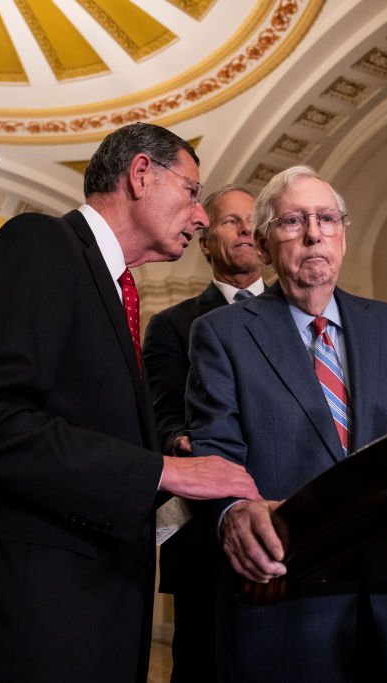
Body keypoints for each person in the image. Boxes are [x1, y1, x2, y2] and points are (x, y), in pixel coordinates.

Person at [0, 123, 260, 682]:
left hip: (81, 611)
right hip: (22, 620)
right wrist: (163, 470)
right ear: (141, 174)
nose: (200, 217)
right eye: (192, 192)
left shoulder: (112, 285)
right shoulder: (40, 243)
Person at [185, 165, 387, 682]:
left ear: (342, 235)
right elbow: (215, 453)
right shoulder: (221, 334)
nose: (314, 234)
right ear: (263, 244)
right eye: (293, 221)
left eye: (326, 219)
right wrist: (233, 515)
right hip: (283, 598)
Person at [143, 184, 263, 682]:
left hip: (290, 513)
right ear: (205, 242)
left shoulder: (302, 313)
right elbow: (164, 414)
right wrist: (181, 442)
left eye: (253, 220)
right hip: (205, 525)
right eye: (231, 221)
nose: (246, 230)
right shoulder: (172, 325)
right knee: (203, 661)